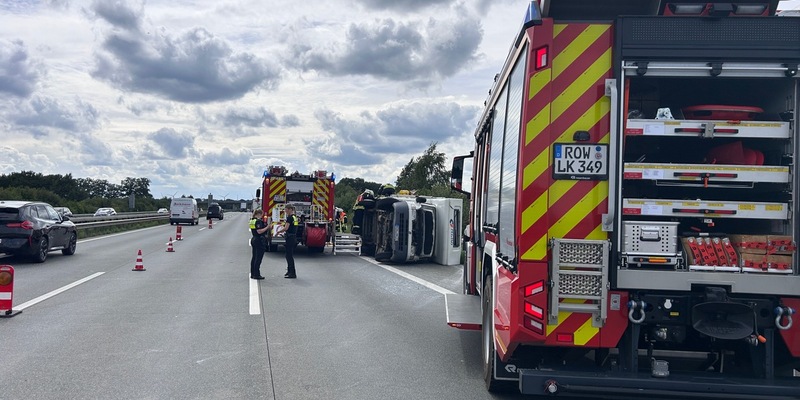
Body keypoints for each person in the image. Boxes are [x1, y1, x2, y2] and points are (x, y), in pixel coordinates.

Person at [249, 209, 269, 280]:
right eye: (262, 214)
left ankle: (253, 273)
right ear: (259, 214)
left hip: (254, 239)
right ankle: (256, 274)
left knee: (254, 257)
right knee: (258, 258)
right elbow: (259, 231)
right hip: (259, 240)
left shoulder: (252, 220)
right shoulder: (258, 221)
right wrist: (267, 227)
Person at [282, 204, 298, 278]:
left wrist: (278, 232)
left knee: (288, 256)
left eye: (286, 210)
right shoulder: (295, 217)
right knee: (289, 255)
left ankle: (292, 273)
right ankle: (289, 271)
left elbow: (286, 228)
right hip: (293, 237)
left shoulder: (289, 218)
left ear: (290, 209)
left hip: (290, 238)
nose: (285, 211)